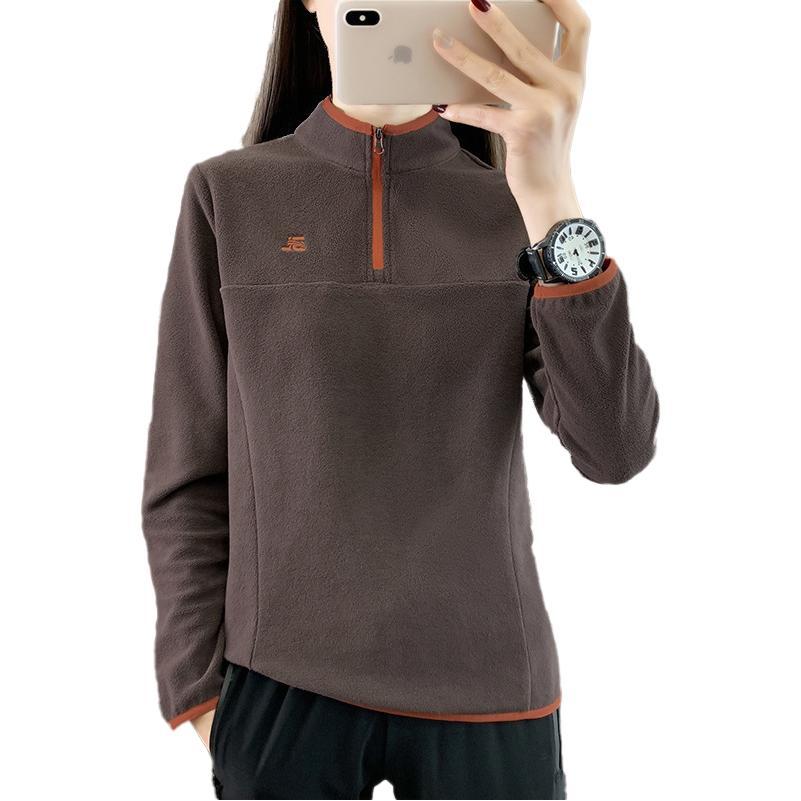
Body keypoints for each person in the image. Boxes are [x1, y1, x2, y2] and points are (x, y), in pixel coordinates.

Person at [140, 0, 660, 797]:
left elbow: (614, 447)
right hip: (279, 689)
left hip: (492, 687)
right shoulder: (228, 194)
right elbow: (188, 469)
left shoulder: (514, 205)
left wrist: (552, 194)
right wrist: (200, 695)